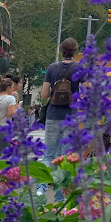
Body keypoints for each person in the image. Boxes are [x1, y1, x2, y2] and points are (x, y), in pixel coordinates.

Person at [37, 38, 80, 199]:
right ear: (75, 51)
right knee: (65, 156)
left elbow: (43, 95)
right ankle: (60, 197)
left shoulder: (52, 68)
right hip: (71, 116)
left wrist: (55, 91)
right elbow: (88, 90)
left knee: (48, 155)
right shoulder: (78, 68)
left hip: (53, 115)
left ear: (62, 50)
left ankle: (40, 189)